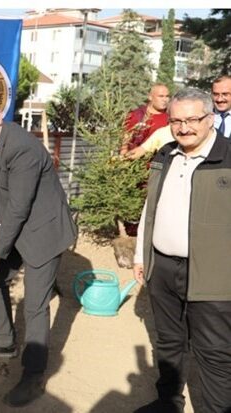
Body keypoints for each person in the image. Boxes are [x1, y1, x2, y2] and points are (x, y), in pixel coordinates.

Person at [0, 94, 77, 407]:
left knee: (35, 304)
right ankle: (4, 342)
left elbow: (19, 206)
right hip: (13, 231)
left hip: (43, 232)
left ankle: (33, 376)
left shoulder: (22, 147)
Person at [132, 88, 231, 413]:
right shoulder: (166, 155)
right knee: (169, 341)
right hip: (162, 268)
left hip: (213, 276)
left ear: (210, 118)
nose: (184, 127)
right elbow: (152, 206)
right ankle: (168, 402)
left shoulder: (227, 157)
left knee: (214, 352)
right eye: (176, 120)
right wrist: (141, 255)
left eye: (192, 120)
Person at [120, 83, 170, 155]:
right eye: (161, 96)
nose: (165, 100)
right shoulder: (137, 114)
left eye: (167, 96)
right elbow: (126, 137)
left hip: (159, 161)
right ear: (150, 97)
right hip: (136, 161)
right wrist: (123, 157)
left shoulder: (170, 117)